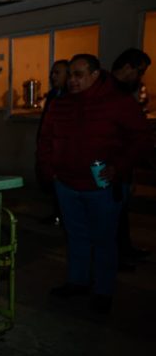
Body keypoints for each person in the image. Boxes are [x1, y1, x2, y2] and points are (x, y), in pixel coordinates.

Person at [38, 54, 150, 313]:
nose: (72, 80)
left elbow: (142, 138)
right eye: (70, 75)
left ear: (95, 75)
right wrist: (49, 171)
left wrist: (119, 167)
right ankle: (78, 281)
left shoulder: (117, 103)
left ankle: (103, 290)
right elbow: (45, 140)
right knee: (76, 236)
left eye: (79, 74)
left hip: (102, 187)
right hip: (66, 184)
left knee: (104, 240)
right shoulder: (60, 104)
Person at [110, 48, 152, 270]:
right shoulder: (109, 93)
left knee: (120, 213)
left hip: (121, 167)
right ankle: (113, 257)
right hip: (110, 168)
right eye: (140, 71)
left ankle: (123, 250)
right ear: (128, 68)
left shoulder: (122, 93)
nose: (140, 78)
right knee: (109, 217)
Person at [36, 60, 70, 226]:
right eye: (52, 72)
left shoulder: (71, 97)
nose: (53, 76)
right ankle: (57, 214)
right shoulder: (53, 95)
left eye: (58, 72)